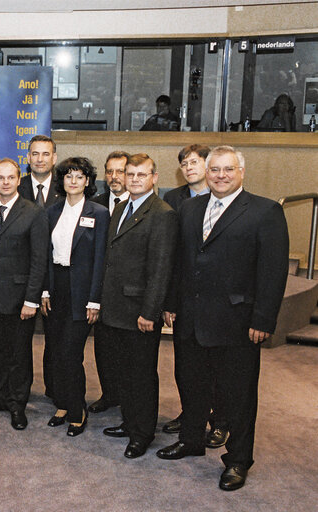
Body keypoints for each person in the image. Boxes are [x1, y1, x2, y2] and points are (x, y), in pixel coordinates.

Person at [157, 146, 289, 492]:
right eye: (214, 169)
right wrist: (171, 302)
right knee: (191, 384)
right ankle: (190, 440)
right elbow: (179, 261)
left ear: (241, 172)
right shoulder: (189, 208)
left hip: (237, 322)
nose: (220, 175)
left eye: (228, 169)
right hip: (190, 318)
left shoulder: (265, 211)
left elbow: (273, 272)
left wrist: (263, 319)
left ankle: (238, 460)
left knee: (238, 396)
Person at [100, 153, 178, 459]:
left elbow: (161, 268)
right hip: (115, 307)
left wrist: (150, 311)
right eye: (129, 174)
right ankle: (130, 422)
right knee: (123, 372)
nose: (134, 179)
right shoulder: (121, 207)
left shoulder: (162, 213)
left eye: (141, 175)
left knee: (142, 375)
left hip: (139, 311)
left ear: (154, 178)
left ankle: (142, 434)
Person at [0, 158, 47, 430]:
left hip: (19, 299)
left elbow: (40, 260)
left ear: (18, 179)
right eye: (0, 178)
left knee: (19, 354)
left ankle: (17, 403)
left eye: (10, 177)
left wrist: (31, 299)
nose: (5, 182)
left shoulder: (34, 212)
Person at [161, 144, 229, 449]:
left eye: (194, 162)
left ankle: (220, 422)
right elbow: (173, 256)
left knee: (216, 369)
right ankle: (192, 415)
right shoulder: (174, 200)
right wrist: (170, 301)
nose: (189, 168)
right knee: (185, 367)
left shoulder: (227, 199)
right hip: (185, 296)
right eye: (184, 164)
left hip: (217, 301)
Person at [40, 157, 109, 436]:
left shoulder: (99, 212)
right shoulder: (52, 211)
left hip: (82, 291)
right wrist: (44, 289)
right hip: (56, 287)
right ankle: (62, 404)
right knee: (55, 350)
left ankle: (77, 410)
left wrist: (95, 299)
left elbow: (101, 258)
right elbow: (45, 253)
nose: (73, 181)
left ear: (88, 182)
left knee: (71, 353)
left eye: (79, 177)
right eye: (68, 176)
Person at [17, 134, 62, 400]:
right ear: (28, 158)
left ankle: (55, 390)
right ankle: (19, 392)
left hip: (58, 275)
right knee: (19, 342)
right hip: (21, 276)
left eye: (46, 154)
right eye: (35, 154)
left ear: (54, 158)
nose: (40, 159)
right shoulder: (14, 185)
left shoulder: (67, 186)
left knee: (55, 341)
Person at [88, 150, 129, 415]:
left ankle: (129, 398)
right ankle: (109, 393)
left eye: (121, 171)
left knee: (127, 351)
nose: (114, 177)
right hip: (99, 288)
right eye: (110, 171)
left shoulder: (142, 205)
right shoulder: (96, 203)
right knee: (103, 348)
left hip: (127, 293)